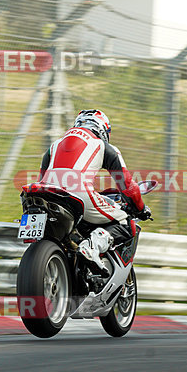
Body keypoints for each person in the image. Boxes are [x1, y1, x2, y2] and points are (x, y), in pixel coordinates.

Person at [37, 109, 152, 272]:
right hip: (77, 194)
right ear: (102, 129)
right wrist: (140, 208)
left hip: (41, 193)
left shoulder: (54, 146)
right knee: (127, 223)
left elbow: (41, 178)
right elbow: (128, 186)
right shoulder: (103, 146)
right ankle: (92, 247)